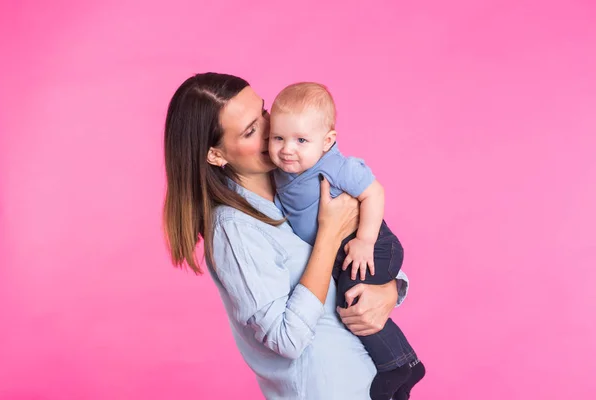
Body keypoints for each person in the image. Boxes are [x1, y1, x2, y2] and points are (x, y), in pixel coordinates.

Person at [163, 72, 414, 400]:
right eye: (252, 131)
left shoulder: (296, 180)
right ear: (216, 155)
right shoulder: (233, 230)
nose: (271, 130)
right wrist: (329, 233)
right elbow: (286, 339)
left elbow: (363, 250)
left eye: (264, 112)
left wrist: (390, 290)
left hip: (369, 381)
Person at [268, 82, 425, 400]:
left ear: (327, 142)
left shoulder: (335, 165)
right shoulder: (280, 170)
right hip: (344, 252)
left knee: (352, 300)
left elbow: (374, 192)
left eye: (301, 140)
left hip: (374, 246)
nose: (287, 149)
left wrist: (365, 240)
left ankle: (397, 365)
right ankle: (405, 362)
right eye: (278, 138)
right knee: (350, 300)